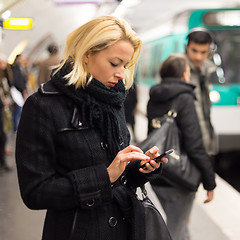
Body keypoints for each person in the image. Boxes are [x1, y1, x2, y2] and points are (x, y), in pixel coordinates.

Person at [15, 16, 167, 240]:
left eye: (125, 65)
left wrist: (140, 168)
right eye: (114, 63)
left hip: (126, 228)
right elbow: (35, 192)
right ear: (87, 54)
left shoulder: (112, 100)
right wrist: (104, 177)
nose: (121, 74)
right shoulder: (43, 105)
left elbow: (119, 176)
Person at [147, 54, 216, 240]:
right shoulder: (185, 98)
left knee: (178, 228)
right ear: (184, 75)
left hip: (159, 174)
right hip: (181, 177)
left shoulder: (154, 96)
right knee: (175, 232)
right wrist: (209, 181)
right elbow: (194, 144)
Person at [185, 27, 217, 155]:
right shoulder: (178, 67)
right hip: (187, 141)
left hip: (204, 136)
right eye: (194, 50)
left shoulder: (208, 70)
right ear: (186, 46)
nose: (198, 57)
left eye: (204, 52)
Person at [11, 54, 28, 131]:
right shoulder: (16, 68)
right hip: (18, 92)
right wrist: (23, 89)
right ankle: (16, 128)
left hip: (20, 91)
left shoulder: (20, 67)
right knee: (18, 110)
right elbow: (18, 80)